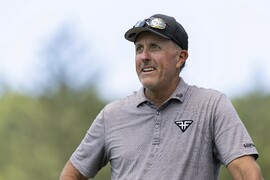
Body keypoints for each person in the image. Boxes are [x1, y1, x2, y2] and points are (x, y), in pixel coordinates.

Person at [60, 14, 263, 180]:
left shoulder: (211, 105)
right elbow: (72, 174)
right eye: (139, 49)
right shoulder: (112, 115)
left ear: (180, 58)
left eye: (154, 47)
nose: (144, 56)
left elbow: (247, 172)